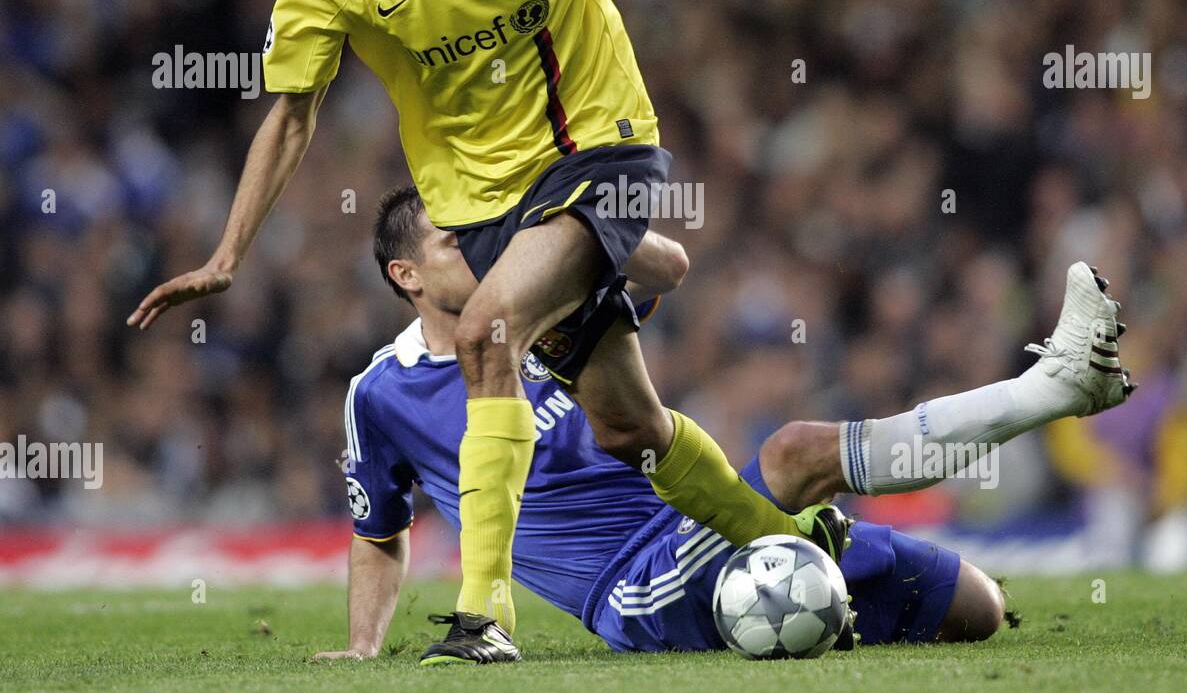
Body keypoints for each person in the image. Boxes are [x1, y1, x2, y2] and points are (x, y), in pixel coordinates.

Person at [128, 0, 982, 661]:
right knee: (631, 428)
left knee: (487, 332)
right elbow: (294, 110)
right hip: (492, 212)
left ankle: (483, 617)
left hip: (599, 153)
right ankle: (793, 541)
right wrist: (228, 253)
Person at [314, 187, 1133, 661]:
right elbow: (377, 529)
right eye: (459, 239)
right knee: (795, 451)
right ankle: (1058, 383)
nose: (483, 247)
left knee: (978, 608)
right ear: (406, 273)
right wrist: (361, 647)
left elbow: (665, 265)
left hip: (708, 524)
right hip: (637, 588)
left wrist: (565, 221)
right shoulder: (381, 395)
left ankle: (808, 622)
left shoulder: (548, 300)